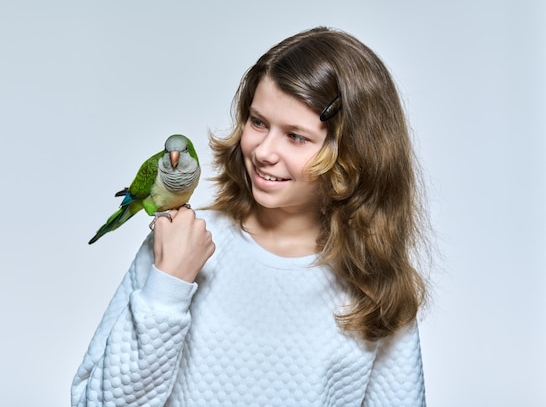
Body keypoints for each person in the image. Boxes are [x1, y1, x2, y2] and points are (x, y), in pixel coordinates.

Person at [72, 26, 430, 407]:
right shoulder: (181, 241)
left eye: (296, 136)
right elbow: (93, 403)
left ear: (353, 153)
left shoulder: (374, 282)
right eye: (258, 122)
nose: (263, 151)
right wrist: (168, 287)